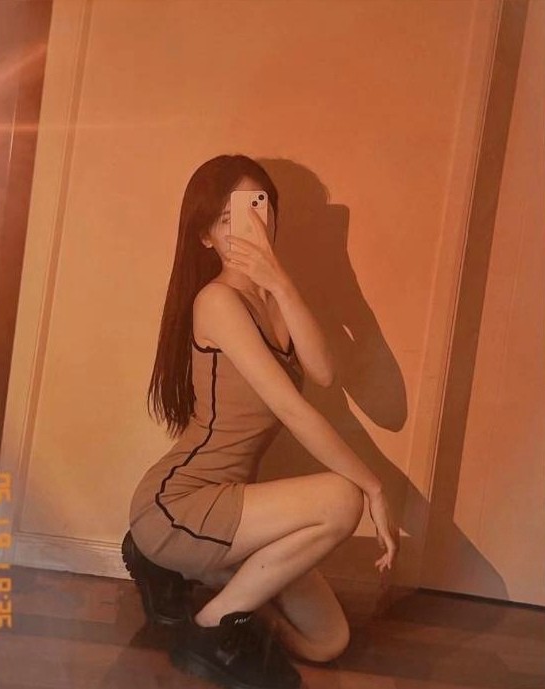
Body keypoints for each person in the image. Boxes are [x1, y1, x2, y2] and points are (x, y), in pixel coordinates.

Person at [126, 154, 400, 689]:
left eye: (256, 209)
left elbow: (325, 373)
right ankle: (210, 629)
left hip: (233, 509)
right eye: (225, 218)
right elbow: (293, 409)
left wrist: (280, 283)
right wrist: (373, 488)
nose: (244, 227)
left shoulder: (275, 301)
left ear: (272, 216)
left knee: (327, 641)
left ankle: (211, 585)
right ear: (205, 236)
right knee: (342, 499)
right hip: (180, 504)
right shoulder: (217, 301)